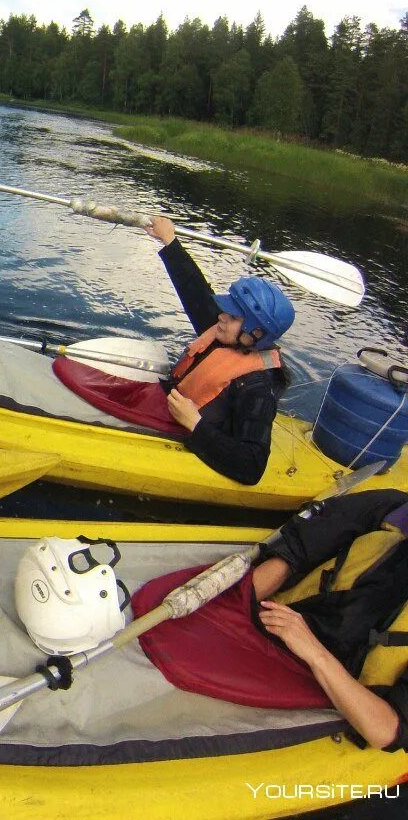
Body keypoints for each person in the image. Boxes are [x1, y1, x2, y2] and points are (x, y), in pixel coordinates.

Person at [250, 487, 408, 751]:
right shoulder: (390, 508)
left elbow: (387, 730)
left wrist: (314, 653)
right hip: (272, 624)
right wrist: (240, 602)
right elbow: (295, 554)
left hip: (329, 689)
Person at [145, 215, 294, 484]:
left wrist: (195, 425)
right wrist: (169, 240)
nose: (222, 317)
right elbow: (195, 291)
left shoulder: (257, 387)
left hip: (187, 430)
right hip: (164, 405)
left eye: (234, 316)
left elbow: (252, 466)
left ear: (255, 333)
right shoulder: (227, 333)